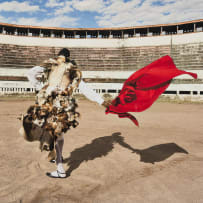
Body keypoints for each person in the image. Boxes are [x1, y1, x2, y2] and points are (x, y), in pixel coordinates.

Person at [25, 48, 111, 178]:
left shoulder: (53, 66)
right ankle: (55, 155)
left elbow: (30, 73)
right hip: (62, 107)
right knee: (57, 134)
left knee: (51, 133)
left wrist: (40, 87)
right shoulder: (70, 71)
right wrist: (101, 101)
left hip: (50, 105)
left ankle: (60, 169)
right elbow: (86, 89)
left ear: (58, 57)